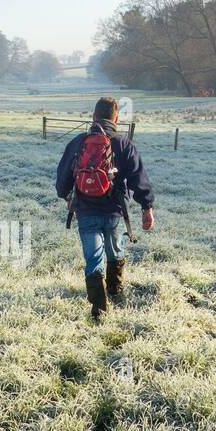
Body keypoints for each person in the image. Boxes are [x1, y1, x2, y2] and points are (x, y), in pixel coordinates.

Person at [55, 96, 155, 319]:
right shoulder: (124, 144)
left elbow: (62, 178)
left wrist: (66, 197)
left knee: (93, 257)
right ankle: (114, 289)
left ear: (93, 117)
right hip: (114, 211)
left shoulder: (78, 142)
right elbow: (139, 178)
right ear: (116, 118)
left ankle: (99, 309)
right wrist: (146, 207)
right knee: (114, 250)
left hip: (85, 210)